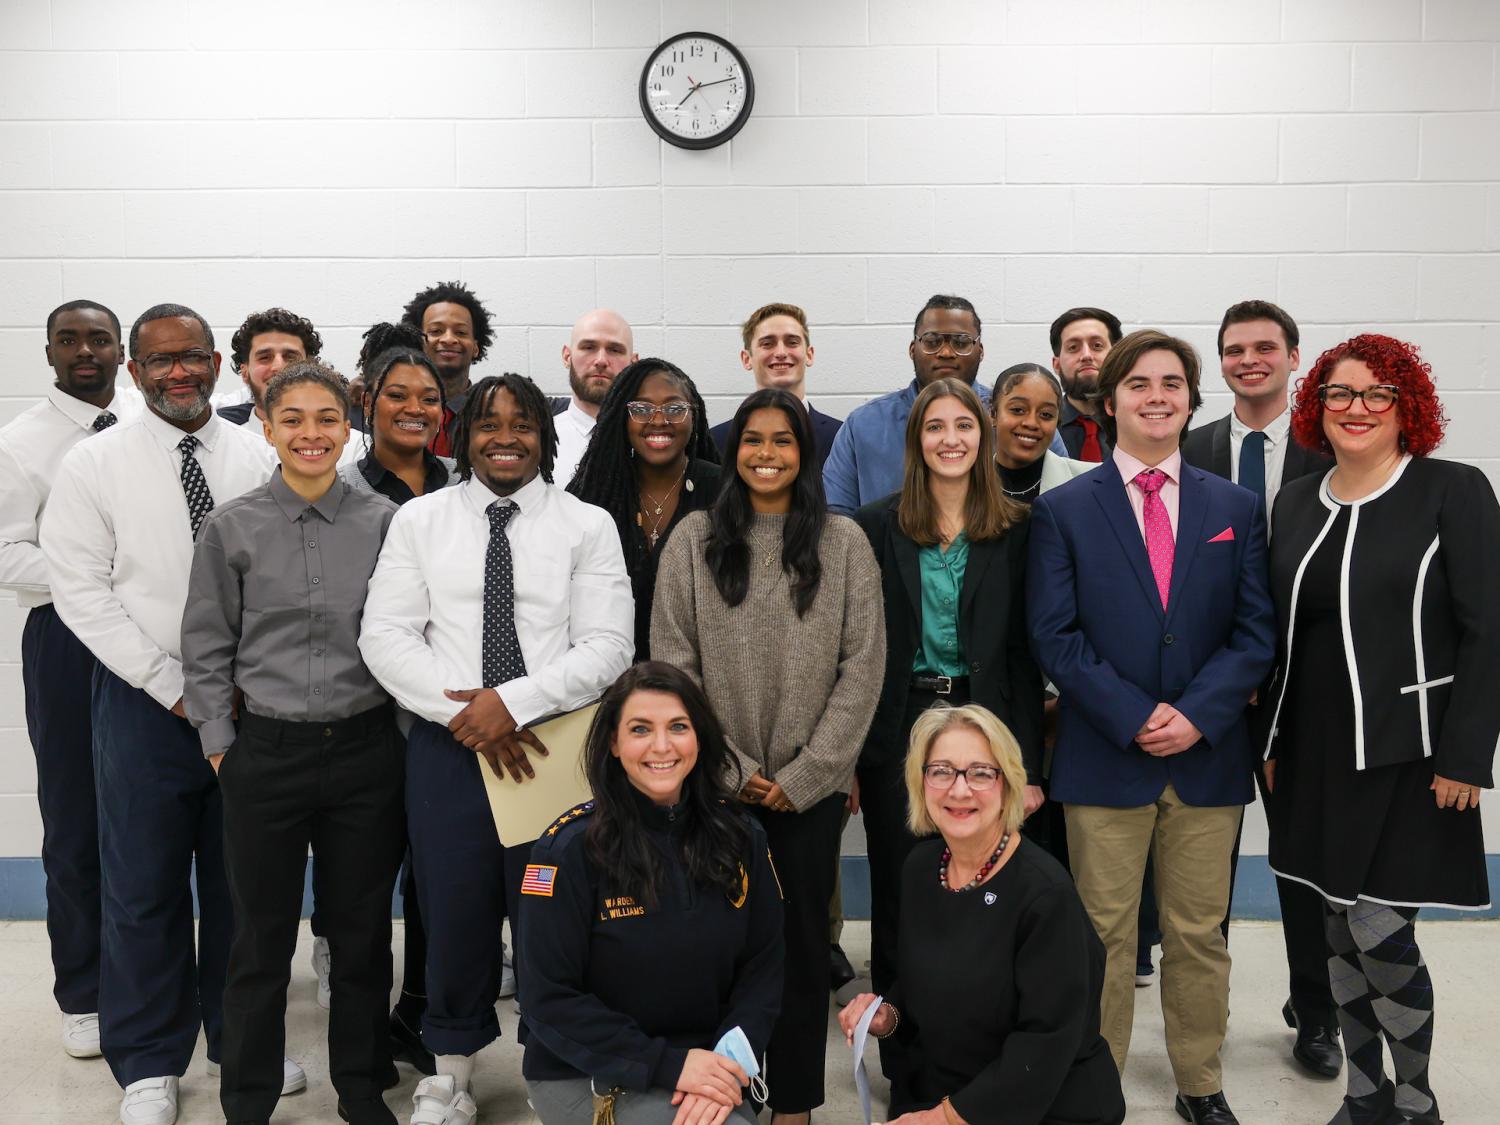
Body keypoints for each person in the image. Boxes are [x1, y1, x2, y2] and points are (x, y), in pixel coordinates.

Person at [39, 303, 292, 1125]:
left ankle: (237, 1039)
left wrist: (243, 679)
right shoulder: (94, 464)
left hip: (248, 702)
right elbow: (81, 590)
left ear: (219, 362)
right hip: (144, 700)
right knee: (141, 884)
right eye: (159, 361)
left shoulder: (260, 456)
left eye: (192, 358)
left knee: (241, 885)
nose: (178, 373)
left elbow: (284, 577)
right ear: (134, 370)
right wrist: (171, 683)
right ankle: (148, 1059)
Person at [359, 373, 634, 1125]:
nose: (505, 436)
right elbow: (384, 636)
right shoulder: (420, 521)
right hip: (451, 750)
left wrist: (509, 704)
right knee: (453, 910)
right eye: (487, 423)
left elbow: (610, 645)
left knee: (559, 912)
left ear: (544, 437)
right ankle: (451, 1072)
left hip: (556, 746)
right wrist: (470, 715)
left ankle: (560, 1068)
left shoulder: (587, 524)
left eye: (521, 423)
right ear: (461, 435)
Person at [1026, 329, 1275, 1125]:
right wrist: (1135, 716)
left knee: (1200, 933)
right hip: (1105, 755)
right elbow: (1055, 635)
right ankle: (1093, 1081)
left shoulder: (1234, 506)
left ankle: (1200, 1080)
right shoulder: (1064, 509)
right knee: (1101, 933)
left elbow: (1255, 633)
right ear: (1111, 400)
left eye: (1173, 383)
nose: (1157, 395)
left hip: (1207, 758)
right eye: (1140, 383)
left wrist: (1195, 716)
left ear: (1191, 401)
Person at [1261, 334, 1499, 1125]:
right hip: (1313, 754)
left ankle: (1418, 1100)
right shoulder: (1297, 499)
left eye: (1376, 394)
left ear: (1408, 408)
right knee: (1337, 930)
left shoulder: (1452, 490)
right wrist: (1268, 743)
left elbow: (1487, 630)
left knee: (1379, 925)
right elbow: (1281, 636)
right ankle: (1366, 1096)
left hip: (1413, 754)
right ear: (1316, 405)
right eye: (1338, 393)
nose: (1355, 408)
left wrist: (1467, 753)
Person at [652, 389, 884, 1124]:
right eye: (752, 440)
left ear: (804, 453)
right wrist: (729, 768)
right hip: (712, 789)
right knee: (709, 947)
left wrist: (806, 774)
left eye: (783, 441)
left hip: (805, 797)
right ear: (733, 449)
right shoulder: (693, 540)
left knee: (800, 952)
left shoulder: (844, 543)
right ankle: (714, 1092)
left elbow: (862, 665)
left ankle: (792, 1106)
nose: (766, 454)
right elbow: (673, 662)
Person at [182, 361, 404, 1125]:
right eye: (295, 420)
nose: (312, 433)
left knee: (363, 933)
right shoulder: (232, 525)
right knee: (257, 938)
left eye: (328, 419)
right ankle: (247, 1097)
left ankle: (364, 1087)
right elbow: (206, 647)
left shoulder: (383, 522)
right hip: (265, 753)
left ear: (350, 428)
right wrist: (221, 746)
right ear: (269, 429)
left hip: (368, 752)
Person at [853, 378, 1043, 1105]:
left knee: (986, 890)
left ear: (984, 435)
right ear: (916, 440)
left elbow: (1025, 655)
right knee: (905, 896)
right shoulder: (876, 525)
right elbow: (862, 648)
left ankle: (979, 1055)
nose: (951, 439)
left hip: (987, 725)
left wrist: (1026, 763)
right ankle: (907, 1059)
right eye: (936, 427)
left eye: (965, 424)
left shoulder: (1020, 525)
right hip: (901, 727)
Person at [518, 661, 785, 1124]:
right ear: (614, 744)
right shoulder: (566, 849)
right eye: (641, 729)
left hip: (711, 1066)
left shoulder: (741, 836)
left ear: (699, 738)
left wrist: (725, 1063)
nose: (662, 746)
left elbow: (764, 967)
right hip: (590, 1072)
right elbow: (548, 999)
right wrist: (671, 1066)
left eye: (678, 727)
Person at [1181, 299, 1339, 1079]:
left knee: (1301, 861)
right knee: (1201, 872)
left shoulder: (1328, 445)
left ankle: (1316, 1010)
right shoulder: (1194, 446)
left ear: (1293, 356)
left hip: (1305, 697)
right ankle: (1200, 1023)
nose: (1250, 360)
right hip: (1212, 694)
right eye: (1235, 349)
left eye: (1264, 347)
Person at [838, 704, 1125, 1125]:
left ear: (1008, 785)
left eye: (980, 773)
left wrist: (943, 1119)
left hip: (1044, 1107)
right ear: (921, 783)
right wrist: (888, 1015)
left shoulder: (1045, 895)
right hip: (948, 1092)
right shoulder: (921, 868)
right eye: (941, 771)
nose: (959, 790)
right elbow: (922, 981)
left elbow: (1045, 1043)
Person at [0, 300, 138, 1061]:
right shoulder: (22, 443)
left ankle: (149, 972)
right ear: (48, 349)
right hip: (68, 640)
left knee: (150, 815)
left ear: (121, 351)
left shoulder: (147, 430)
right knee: (77, 816)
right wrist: (103, 574)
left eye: (99, 339)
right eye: (68, 339)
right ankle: (82, 990)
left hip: (154, 632)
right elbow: (4, 551)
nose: (84, 351)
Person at [567, 358, 720, 661]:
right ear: (620, 418)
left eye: (675, 409)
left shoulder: (723, 490)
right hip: (605, 684)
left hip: (702, 682)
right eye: (641, 409)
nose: (659, 420)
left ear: (694, 415)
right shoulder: (591, 496)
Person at [823, 295, 991, 514]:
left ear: (980, 351)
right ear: (913, 349)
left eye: (961, 342)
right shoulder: (863, 425)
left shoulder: (1009, 418)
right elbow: (837, 517)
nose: (947, 352)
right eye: (932, 341)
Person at [709, 303, 843, 474]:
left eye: (792, 342)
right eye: (767, 343)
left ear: (809, 355)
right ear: (746, 359)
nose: (780, 352)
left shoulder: (842, 436)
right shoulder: (716, 441)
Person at [341, 346, 455, 504]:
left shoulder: (466, 481)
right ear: (367, 404)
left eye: (429, 399)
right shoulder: (338, 489)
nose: (415, 409)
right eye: (397, 396)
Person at [401, 280, 494, 456]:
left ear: (476, 347)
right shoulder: (393, 409)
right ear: (418, 342)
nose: (449, 339)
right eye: (436, 331)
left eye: (461, 332)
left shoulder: (494, 410)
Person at [553, 309, 638, 487]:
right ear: (567, 356)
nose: (601, 360)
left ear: (633, 363)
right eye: (589, 347)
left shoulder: (653, 443)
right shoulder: (537, 442)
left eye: (614, 350)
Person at [990, 363, 1091, 504]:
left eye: (1046, 414)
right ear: (993, 414)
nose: (1031, 423)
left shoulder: (1088, 482)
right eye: (1018, 410)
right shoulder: (965, 485)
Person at [218, 308, 323, 431]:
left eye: (290, 357)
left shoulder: (344, 441)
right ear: (245, 372)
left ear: (311, 367)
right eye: (265, 357)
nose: (278, 367)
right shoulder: (220, 439)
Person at [1048, 307, 1122, 463]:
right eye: (1073, 347)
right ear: (1056, 364)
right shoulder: (1041, 426)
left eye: (1097, 346)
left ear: (1117, 357)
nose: (1086, 355)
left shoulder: (1138, 424)